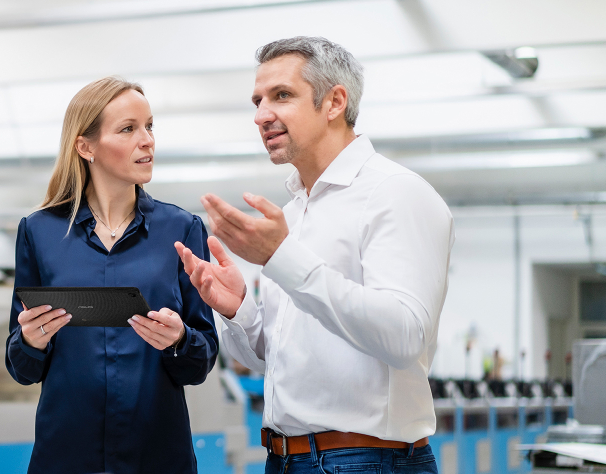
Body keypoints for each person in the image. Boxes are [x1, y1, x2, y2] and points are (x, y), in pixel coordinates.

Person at [175, 36, 455, 473]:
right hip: (286, 458)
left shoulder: (395, 193)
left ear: (334, 102)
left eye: (282, 96)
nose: (261, 115)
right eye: (257, 101)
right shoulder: (295, 212)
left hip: (367, 461)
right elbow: (279, 358)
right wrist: (238, 310)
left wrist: (283, 259)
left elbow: (405, 336)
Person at [5, 76, 218, 474]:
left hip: (157, 457)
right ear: (86, 147)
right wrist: (30, 341)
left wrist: (180, 340)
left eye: (149, 126)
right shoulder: (39, 231)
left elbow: (200, 361)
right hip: (66, 457)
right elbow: (21, 368)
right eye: (128, 129)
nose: (147, 140)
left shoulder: (182, 229)